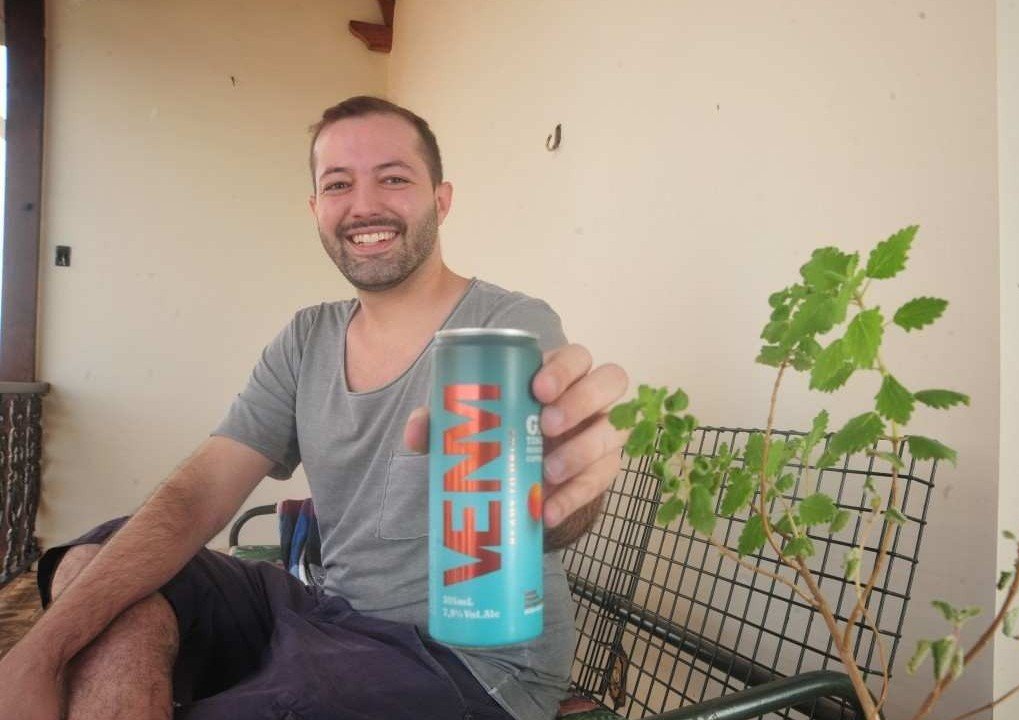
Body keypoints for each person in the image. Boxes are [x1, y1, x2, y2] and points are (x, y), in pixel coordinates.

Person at [0, 97, 629, 720]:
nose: (365, 204)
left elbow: (553, 509)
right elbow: (200, 493)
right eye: (338, 184)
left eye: (394, 177)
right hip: (327, 613)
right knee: (96, 567)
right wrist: (38, 654)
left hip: (467, 664)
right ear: (316, 210)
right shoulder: (308, 337)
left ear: (441, 199)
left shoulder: (508, 327)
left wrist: (560, 485)